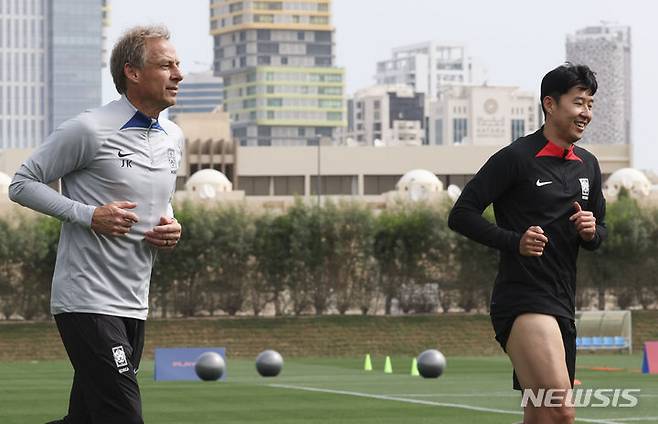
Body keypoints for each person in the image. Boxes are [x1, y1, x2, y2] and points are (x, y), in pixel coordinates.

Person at [9, 25, 184, 424]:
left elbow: (161, 201)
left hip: (134, 304)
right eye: (166, 65)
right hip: (86, 299)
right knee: (123, 416)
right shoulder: (88, 128)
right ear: (132, 73)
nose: (178, 74)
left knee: (88, 419)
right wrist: (89, 215)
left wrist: (171, 224)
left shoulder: (173, 136)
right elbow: (21, 184)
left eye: (178, 64)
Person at [448, 63, 606, 424]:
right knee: (561, 409)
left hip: (563, 303)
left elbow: (600, 232)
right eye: (579, 102)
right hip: (523, 299)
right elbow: (462, 214)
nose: (586, 113)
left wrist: (591, 231)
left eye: (591, 104)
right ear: (550, 104)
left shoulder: (589, 166)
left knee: (541, 416)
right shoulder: (515, 158)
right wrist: (514, 241)